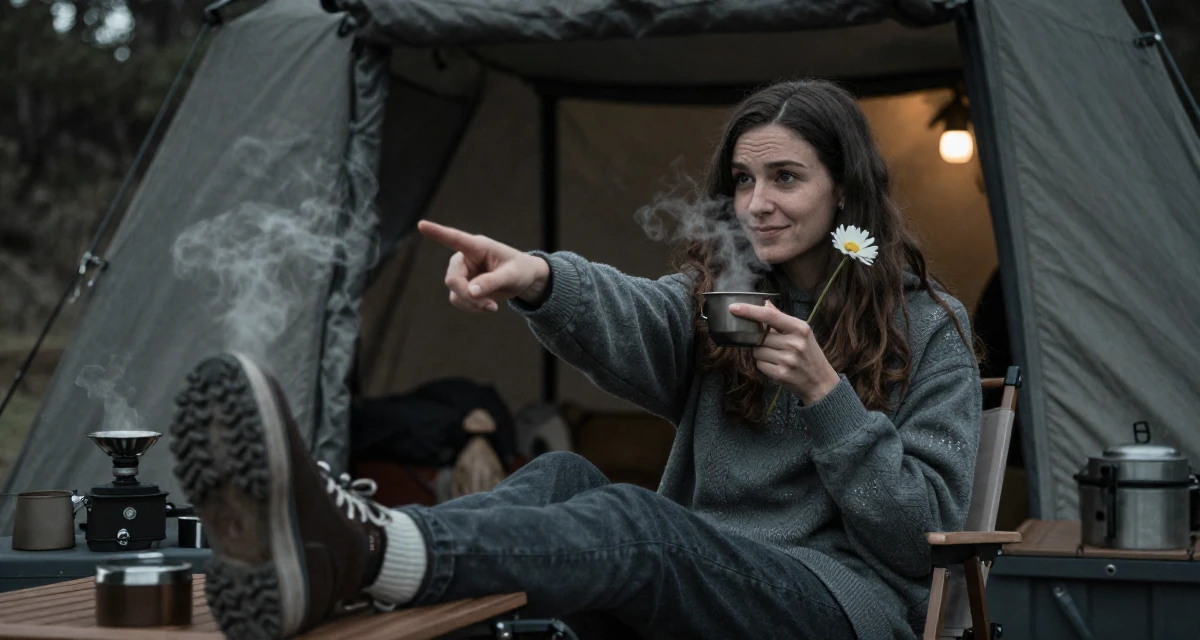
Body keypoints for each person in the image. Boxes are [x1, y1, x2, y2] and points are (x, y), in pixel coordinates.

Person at [171, 79, 981, 640]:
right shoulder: (728, 297)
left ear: (845, 193)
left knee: (640, 525)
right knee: (561, 480)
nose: (756, 202)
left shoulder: (931, 328)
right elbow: (635, 310)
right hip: (704, 576)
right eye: (742, 179)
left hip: (837, 604)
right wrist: (539, 279)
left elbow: (923, 536)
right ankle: (356, 550)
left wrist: (826, 393)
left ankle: (367, 551)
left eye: (785, 177)